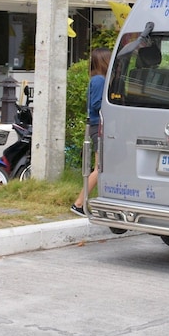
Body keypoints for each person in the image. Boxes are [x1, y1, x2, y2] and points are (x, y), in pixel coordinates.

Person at [71, 47, 111, 216]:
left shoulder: (97, 79)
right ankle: (79, 204)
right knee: (99, 168)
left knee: (102, 167)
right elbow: (96, 104)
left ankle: (91, 202)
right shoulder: (100, 80)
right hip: (98, 127)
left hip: (96, 126)